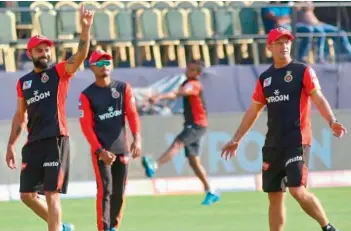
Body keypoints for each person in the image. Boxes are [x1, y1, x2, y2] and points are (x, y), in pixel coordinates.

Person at [221, 27, 347, 231]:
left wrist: (331, 121)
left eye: (287, 42)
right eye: (279, 42)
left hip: (297, 142)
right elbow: (254, 110)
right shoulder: (265, 78)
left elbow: (318, 98)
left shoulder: (302, 71)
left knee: (297, 190)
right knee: (275, 197)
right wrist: (237, 138)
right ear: (269, 46)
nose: (284, 46)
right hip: (272, 146)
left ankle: (328, 227)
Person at [5, 5, 94, 231]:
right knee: (27, 195)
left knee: (51, 193)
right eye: (39, 50)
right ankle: (62, 227)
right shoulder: (23, 82)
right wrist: (10, 145)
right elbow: (19, 116)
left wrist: (85, 30)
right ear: (30, 54)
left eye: (47, 50)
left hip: (56, 139)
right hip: (33, 143)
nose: (44, 54)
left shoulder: (59, 73)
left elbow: (81, 54)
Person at [141, 60, 220, 205]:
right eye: (188, 68)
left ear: (198, 73)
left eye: (191, 69)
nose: (187, 71)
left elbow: (180, 93)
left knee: (178, 143)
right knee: (193, 161)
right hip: (195, 124)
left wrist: (159, 97)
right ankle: (211, 191)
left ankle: (155, 165)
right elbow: (177, 92)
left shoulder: (194, 84)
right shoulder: (187, 83)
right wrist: (159, 98)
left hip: (197, 125)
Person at [78, 50, 142, 231]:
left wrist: (137, 139)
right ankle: (103, 228)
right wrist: (100, 150)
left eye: (107, 62)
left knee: (119, 192)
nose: (104, 66)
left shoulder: (123, 88)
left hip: (121, 149)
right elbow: (86, 127)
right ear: (92, 67)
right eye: (99, 63)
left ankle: (114, 227)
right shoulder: (87, 95)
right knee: (105, 190)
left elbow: (132, 114)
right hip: (101, 152)